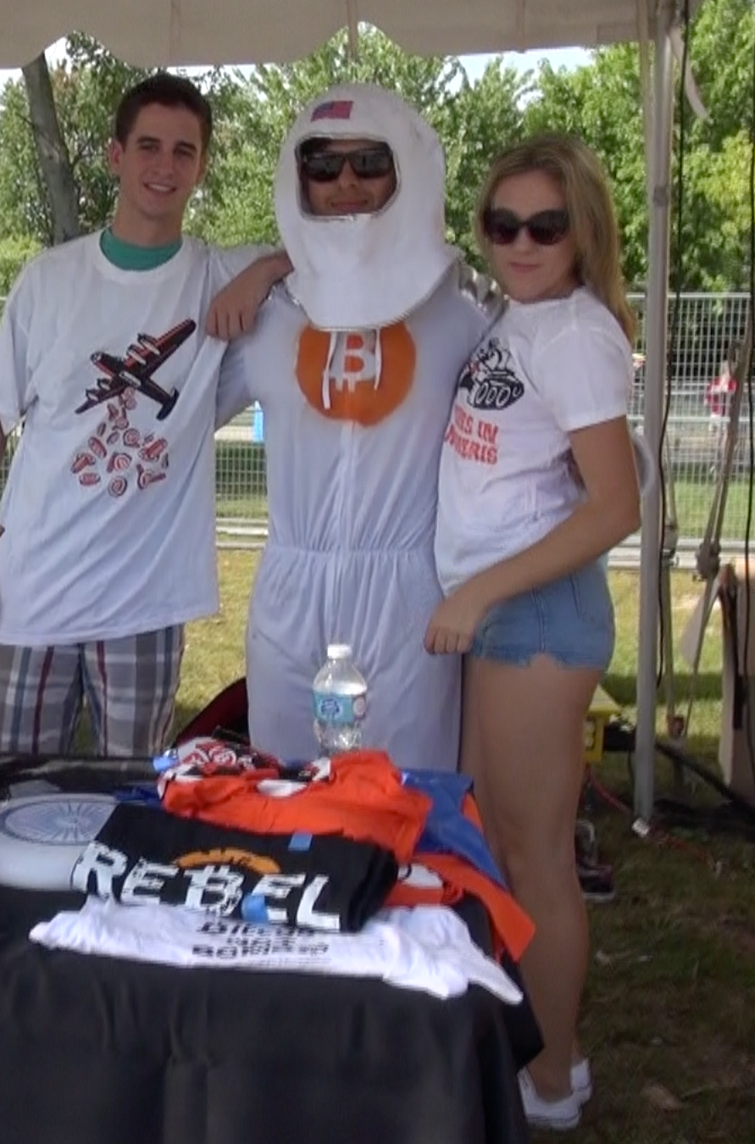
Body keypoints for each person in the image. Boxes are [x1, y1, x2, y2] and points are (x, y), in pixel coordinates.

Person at [0, 72, 263, 759]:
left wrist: (265, 272)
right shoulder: (49, 279)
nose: (164, 166)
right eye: (148, 146)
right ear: (116, 155)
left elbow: (333, 255)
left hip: (143, 604)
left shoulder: (218, 275)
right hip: (31, 592)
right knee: (10, 787)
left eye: (184, 151)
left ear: (202, 167)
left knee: (132, 796)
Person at [425, 134, 640, 1131]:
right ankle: (522, 1048)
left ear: (580, 231)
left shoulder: (577, 335)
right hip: (504, 611)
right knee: (495, 845)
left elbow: (616, 507)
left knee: (537, 855)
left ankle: (554, 1080)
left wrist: (480, 594)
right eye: (501, 223)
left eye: (543, 226)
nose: (519, 242)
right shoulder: (520, 316)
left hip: (536, 616)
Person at [207, 82, 500, 774]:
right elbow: (175, 420)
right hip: (290, 591)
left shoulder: (462, 312)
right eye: (323, 164)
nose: (346, 182)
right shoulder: (267, 312)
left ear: (406, 170)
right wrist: (271, 267)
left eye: (370, 162)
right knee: (283, 790)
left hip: (408, 598)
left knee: (404, 796)